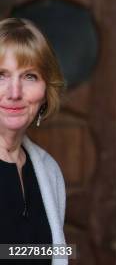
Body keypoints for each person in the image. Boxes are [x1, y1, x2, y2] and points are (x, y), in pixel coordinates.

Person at [0, 18, 67, 265]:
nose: (14, 92)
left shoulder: (48, 172)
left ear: (46, 91)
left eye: (29, 76)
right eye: (1, 75)